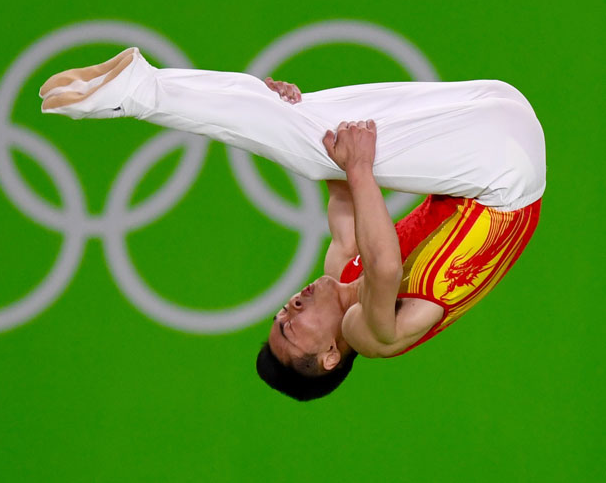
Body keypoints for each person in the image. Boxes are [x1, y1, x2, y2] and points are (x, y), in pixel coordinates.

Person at [39, 47, 545, 401]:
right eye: (289, 328)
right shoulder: (370, 336)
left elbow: (340, 184)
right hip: (502, 176)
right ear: (329, 356)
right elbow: (386, 266)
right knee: (320, 151)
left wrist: (279, 110)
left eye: (278, 316)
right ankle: (137, 93)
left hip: (495, 111)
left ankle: (156, 82)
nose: (288, 308)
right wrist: (348, 162)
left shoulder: (339, 268)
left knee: (317, 134)